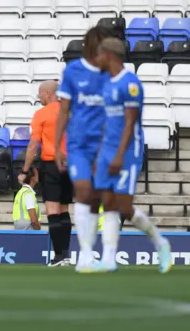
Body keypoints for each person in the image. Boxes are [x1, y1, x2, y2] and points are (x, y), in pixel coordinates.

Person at [92, 38, 172, 273]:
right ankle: (108, 258)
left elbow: (129, 123)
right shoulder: (105, 85)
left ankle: (160, 242)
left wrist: (118, 155)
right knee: (107, 203)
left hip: (127, 152)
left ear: (109, 55)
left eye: (99, 55)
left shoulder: (131, 84)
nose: (96, 60)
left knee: (124, 207)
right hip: (107, 151)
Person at [54, 26, 111, 272]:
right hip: (78, 144)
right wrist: (57, 146)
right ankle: (85, 253)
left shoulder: (110, 72)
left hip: (102, 144)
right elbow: (64, 110)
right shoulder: (73, 71)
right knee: (83, 192)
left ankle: (91, 250)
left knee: (95, 198)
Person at [18, 80, 72, 266]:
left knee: (52, 210)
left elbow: (33, 145)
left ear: (48, 93)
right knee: (64, 209)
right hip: (69, 164)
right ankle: (65, 255)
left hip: (51, 164)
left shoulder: (42, 114)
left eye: (40, 93)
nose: (39, 97)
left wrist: (25, 170)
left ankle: (58, 256)